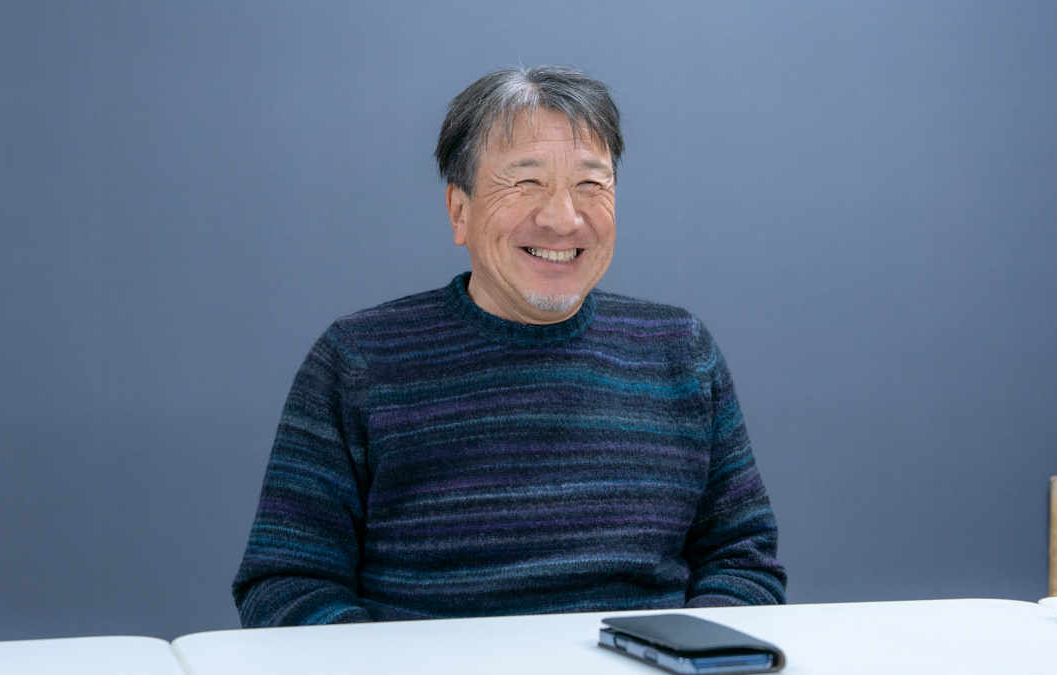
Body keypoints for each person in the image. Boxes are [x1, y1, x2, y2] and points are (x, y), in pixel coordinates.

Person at [232, 65, 786, 626]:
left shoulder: (678, 351)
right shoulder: (360, 360)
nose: (562, 219)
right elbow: (286, 584)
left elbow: (743, 563)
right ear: (459, 211)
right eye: (526, 184)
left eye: (591, 185)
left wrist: (691, 651)